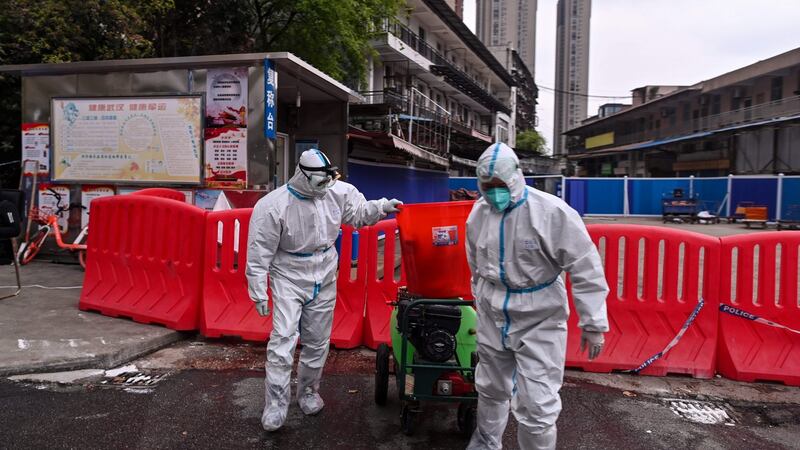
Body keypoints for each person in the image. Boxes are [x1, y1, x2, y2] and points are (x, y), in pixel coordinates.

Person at [246, 149, 402, 432]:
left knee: (318, 340)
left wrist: (381, 207)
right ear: (303, 176)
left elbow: (357, 214)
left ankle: (307, 392)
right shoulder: (273, 206)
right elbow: (259, 251)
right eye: (319, 183)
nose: (324, 188)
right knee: (283, 340)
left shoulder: (336, 192)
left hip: (325, 272)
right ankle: (276, 404)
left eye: (328, 181)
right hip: (288, 275)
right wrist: (258, 289)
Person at [465, 143, 609, 450]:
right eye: (487, 187)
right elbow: (475, 265)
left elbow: (585, 266)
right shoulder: (479, 213)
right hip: (493, 313)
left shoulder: (551, 213)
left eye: (499, 186)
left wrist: (593, 322)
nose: (494, 193)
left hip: (539, 316)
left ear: (516, 177)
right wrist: (479, 299)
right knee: (490, 388)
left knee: (537, 404)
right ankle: (486, 444)